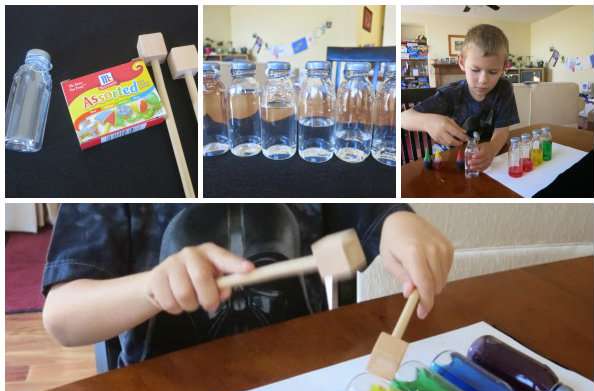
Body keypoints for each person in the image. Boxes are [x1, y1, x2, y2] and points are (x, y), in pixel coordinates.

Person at [42, 204, 454, 367]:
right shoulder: (117, 181)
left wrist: (399, 221)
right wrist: (152, 287)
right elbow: (63, 318)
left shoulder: (308, 149)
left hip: (300, 385)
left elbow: (376, 214)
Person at [401, 24, 520, 172]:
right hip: (449, 162)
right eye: (475, 70)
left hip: (489, 164)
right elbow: (403, 118)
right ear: (462, 63)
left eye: (493, 72)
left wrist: (492, 148)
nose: (483, 80)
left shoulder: (504, 88)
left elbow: (502, 131)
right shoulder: (450, 94)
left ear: (504, 67)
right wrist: (428, 122)